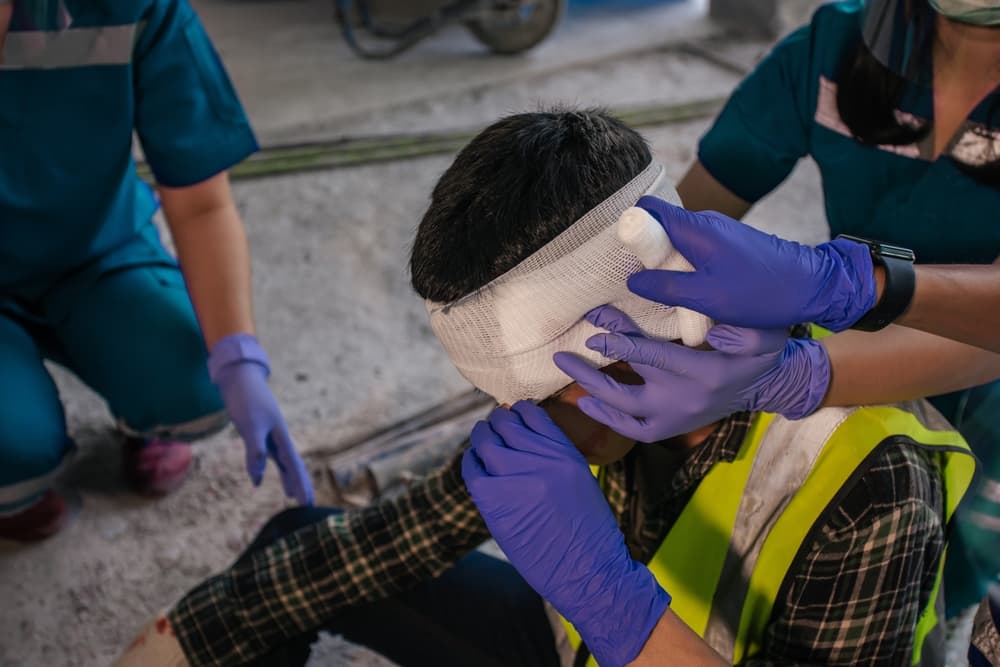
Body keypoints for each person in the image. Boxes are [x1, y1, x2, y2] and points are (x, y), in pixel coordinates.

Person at [117, 109, 973, 667]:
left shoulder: (874, 482)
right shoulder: (572, 404)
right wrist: (177, 641)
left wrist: (614, 606)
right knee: (291, 549)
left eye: (542, 390)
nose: (517, 420)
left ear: (650, 329)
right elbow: (395, 538)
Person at [647, 0, 1000, 615]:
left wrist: (802, 367)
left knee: (936, 593)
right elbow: (684, 229)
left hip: (983, 426)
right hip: (849, 379)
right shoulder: (832, 52)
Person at [0, 0, 312, 543]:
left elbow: (201, 203)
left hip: (95, 250)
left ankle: (142, 421)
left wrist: (238, 358)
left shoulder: (132, 8)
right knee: (12, 442)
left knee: (194, 378)